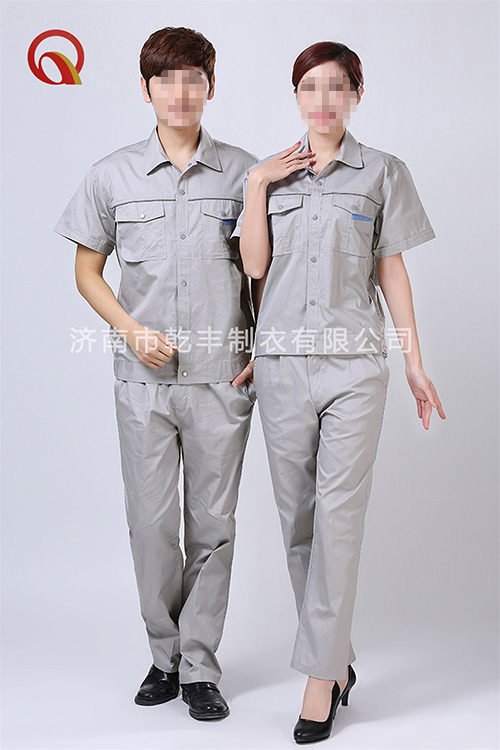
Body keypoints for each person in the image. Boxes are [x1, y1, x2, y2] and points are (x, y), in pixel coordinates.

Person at [232, 40, 446, 744]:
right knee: (298, 521)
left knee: (338, 519)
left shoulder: (383, 172)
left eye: (335, 87)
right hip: (281, 367)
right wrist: (257, 186)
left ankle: (319, 682)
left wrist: (413, 361)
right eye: (309, 88)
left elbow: (392, 271)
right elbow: (254, 268)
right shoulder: (269, 175)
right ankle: (337, 659)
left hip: (354, 368)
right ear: (296, 96)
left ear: (356, 94)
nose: (322, 101)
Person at [53, 26, 259, 722]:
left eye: (193, 78)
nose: (180, 93)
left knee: (213, 526)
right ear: (146, 90)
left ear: (211, 85)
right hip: (143, 383)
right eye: (165, 80)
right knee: (149, 524)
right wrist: (130, 329)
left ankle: (198, 665)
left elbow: (264, 273)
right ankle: (163, 655)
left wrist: (261, 347)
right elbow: (87, 270)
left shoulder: (246, 174)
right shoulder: (110, 175)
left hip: (221, 379)